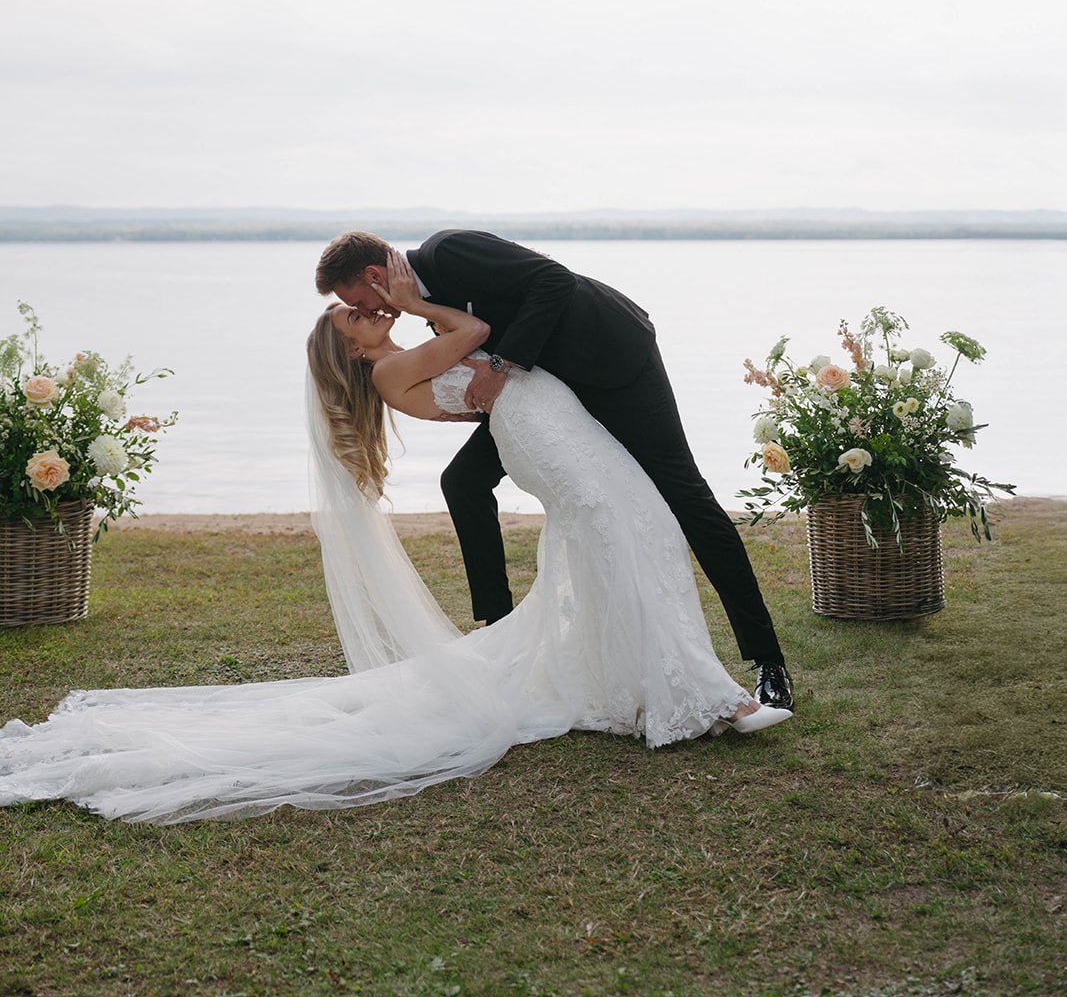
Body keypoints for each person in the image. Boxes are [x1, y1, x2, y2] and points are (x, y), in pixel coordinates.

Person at [0, 253, 790, 825]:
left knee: (625, 538)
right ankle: (695, 695)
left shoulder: (401, 362)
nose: (367, 313)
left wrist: (427, 319)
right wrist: (420, 308)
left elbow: (486, 346)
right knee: (632, 532)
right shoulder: (391, 372)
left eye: (359, 303)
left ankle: (659, 685)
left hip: (549, 420)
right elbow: (477, 329)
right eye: (354, 316)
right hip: (543, 429)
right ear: (350, 346)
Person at [317, 228, 794, 711]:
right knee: (462, 481)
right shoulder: (422, 309)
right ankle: (499, 631)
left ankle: (767, 661)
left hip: (612, 364)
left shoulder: (448, 251)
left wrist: (501, 364)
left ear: (376, 276)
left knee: (686, 498)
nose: (373, 312)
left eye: (359, 300)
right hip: (547, 399)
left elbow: (554, 280)